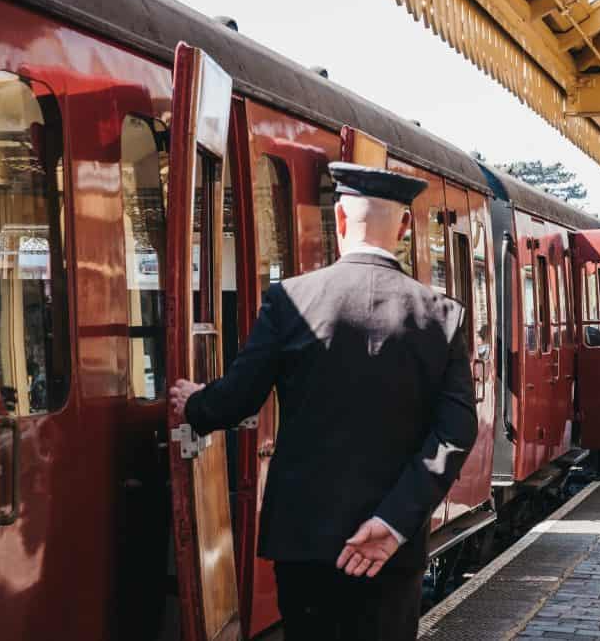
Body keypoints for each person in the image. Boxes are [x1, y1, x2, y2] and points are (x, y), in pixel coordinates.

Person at [168, 163, 478, 641]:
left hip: (304, 540)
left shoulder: (290, 300)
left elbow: (236, 398)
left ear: (338, 219)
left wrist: (193, 403)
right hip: (391, 550)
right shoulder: (443, 317)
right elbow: (455, 433)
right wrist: (393, 524)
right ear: (402, 229)